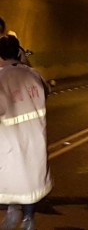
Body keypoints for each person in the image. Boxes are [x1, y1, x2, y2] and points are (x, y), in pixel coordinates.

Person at [0, 34, 52, 230]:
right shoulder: (33, 74)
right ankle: (28, 219)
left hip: (9, 141)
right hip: (34, 137)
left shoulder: (0, 77)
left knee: (15, 178)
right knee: (30, 179)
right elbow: (46, 92)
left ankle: (13, 214)